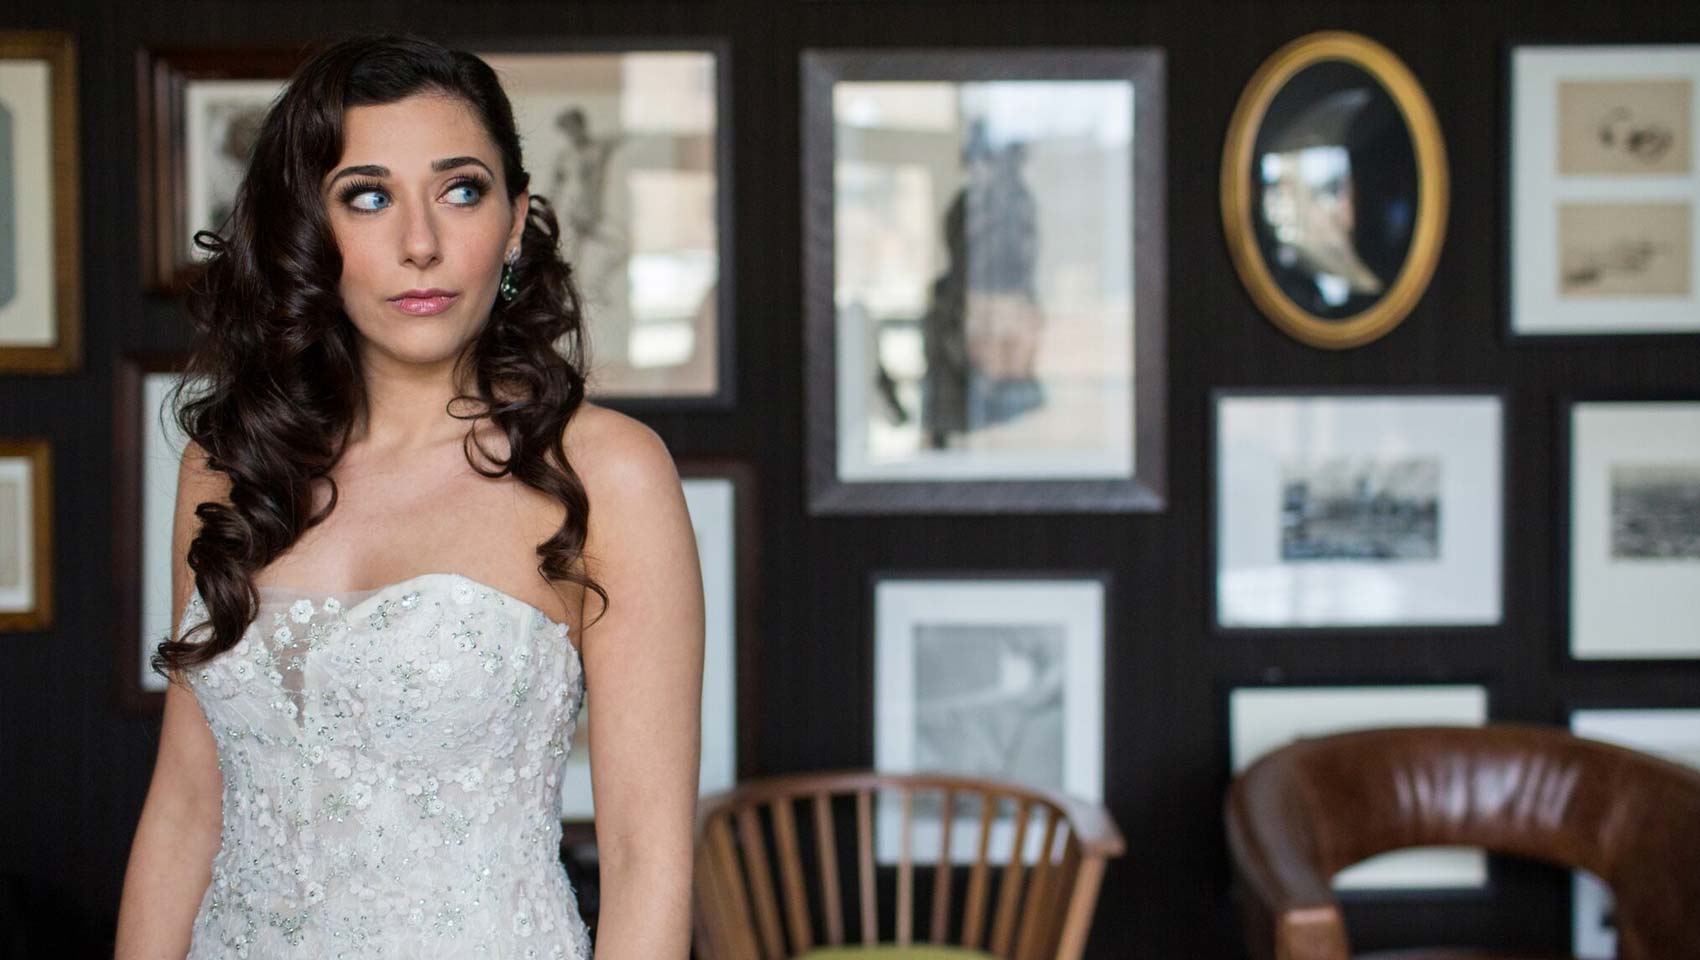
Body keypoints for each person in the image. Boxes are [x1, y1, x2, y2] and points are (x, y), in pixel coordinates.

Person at [112, 34, 704, 960]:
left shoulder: (608, 472)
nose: (419, 243)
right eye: (369, 195)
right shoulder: (229, 464)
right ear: (311, 226)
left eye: (461, 190)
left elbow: (645, 860)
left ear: (514, 223)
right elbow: (188, 805)